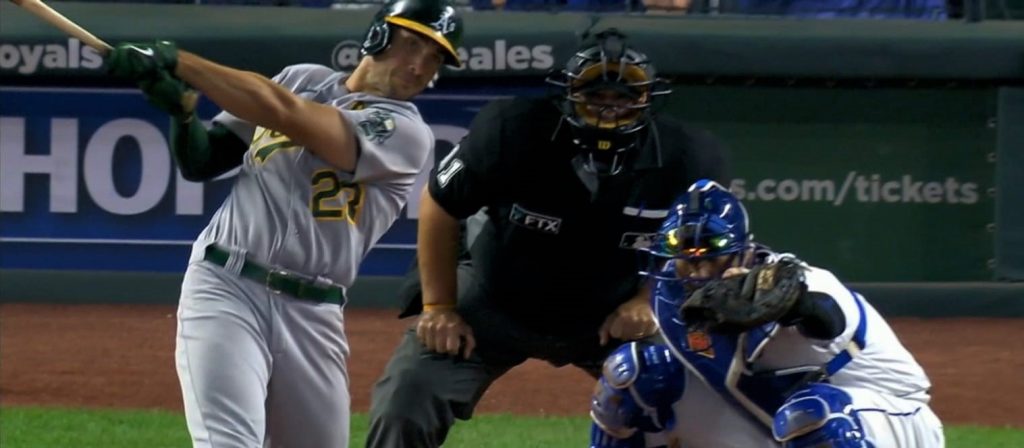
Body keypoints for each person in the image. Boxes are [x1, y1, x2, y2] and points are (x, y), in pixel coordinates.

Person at [103, 1, 463, 446]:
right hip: (227, 285)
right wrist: (182, 114)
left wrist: (176, 60)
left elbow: (286, 114)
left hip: (314, 312)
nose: (419, 66)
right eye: (412, 44)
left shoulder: (406, 133)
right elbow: (203, 160)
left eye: (435, 57)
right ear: (378, 36)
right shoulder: (302, 79)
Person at [366, 28, 731, 448]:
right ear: (569, 93)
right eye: (595, 94)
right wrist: (438, 307)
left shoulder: (689, 156)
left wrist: (646, 300)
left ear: (647, 99)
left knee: (689, 399)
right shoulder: (511, 128)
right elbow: (440, 203)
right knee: (407, 395)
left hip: (613, 312)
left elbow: (701, 246)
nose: (608, 107)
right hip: (492, 297)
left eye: (622, 96)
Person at [588, 179, 944, 447]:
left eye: (711, 253)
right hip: (769, 418)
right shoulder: (670, 295)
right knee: (632, 374)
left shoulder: (797, 281)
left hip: (888, 417)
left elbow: (828, 319)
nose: (696, 268)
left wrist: (792, 305)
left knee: (813, 415)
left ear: (743, 251)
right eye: (686, 255)